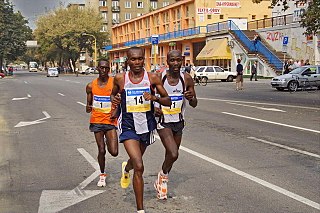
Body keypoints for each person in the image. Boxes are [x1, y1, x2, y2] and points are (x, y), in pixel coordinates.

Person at [111, 46, 171, 213]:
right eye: (133, 59)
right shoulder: (120, 79)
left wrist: (154, 97)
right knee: (139, 165)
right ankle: (140, 210)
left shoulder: (152, 78)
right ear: (127, 61)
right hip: (128, 125)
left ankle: (126, 168)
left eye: (139, 59)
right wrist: (115, 99)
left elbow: (168, 100)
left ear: (143, 60)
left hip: (146, 126)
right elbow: (112, 95)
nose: (136, 62)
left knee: (134, 163)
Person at [154, 50, 197, 200]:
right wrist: (154, 108)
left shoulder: (186, 79)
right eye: (172, 60)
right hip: (163, 121)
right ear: (167, 61)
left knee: (170, 155)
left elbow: (194, 103)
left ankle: (162, 179)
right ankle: (163, 177)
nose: (176, 64)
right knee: (173, 153)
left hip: (178, 122)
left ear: (182, 61)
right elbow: (148, 97)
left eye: (179, 60)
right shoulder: (160, 78)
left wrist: (191, 98)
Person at [86, 59, 118, 187]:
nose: (104, 71)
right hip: (97, 121)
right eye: (101, 68)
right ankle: (102, 175)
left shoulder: (114, 83)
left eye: (106, 68)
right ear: (97, 68)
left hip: (110, 121)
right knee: (101, 150)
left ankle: (108, 141)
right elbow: (88, 105)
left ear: (109, 69)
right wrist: (88, 107)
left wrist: (117, 110)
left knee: (114, 152)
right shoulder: (90, 85)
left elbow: (120, 98)